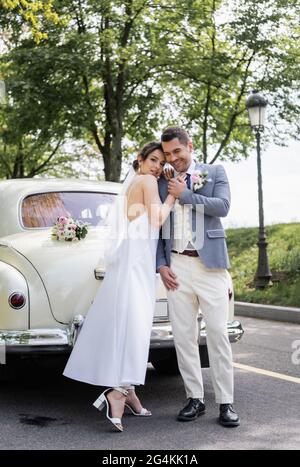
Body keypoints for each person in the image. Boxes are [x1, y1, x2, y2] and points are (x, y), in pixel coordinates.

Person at [63, 141, 175, 432]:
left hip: (129, 263)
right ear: (139, 159)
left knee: (129, 326)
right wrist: (173, 197)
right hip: (136, 265)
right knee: (134, 329)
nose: (157, 167)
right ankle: (116, 394)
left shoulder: (130, 185)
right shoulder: (148, 181)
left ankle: (132, 394)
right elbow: (158, 218)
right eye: (152, 159)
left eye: (161, 163)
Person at [156, 126, 240, 427]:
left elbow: (224, 207)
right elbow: (158, 227)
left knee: (217, 334)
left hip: (211, 267)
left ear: (189, 147)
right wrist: (161, 264)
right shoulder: (161, 182)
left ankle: (226, 403)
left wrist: (187, 195)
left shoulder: (215, 172)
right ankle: (194, 398)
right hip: (177, 268)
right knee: (183, 337)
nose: (173, 158)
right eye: (167, 154)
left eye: (177, 152)